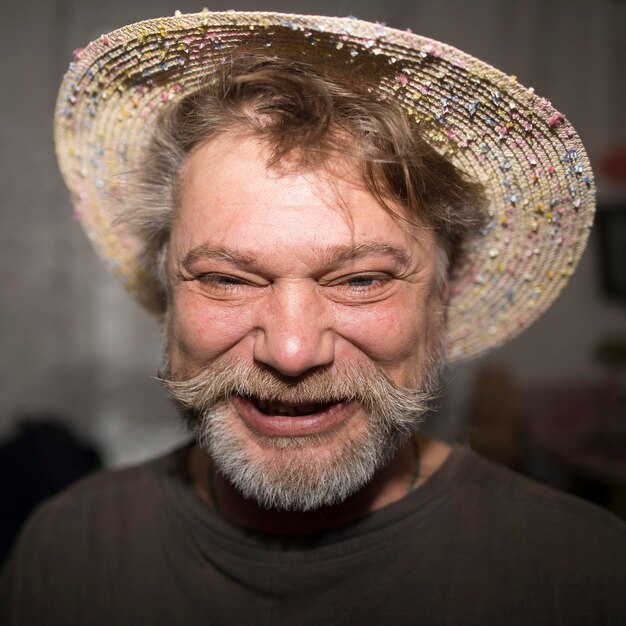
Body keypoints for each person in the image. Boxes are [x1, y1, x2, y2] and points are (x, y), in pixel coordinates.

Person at [2, 10, 624, 625]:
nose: (293, 350)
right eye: (225, 279)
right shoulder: (64, 553)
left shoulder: (582, 573)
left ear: (440, 298)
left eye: (361, 280)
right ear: (169, 298)